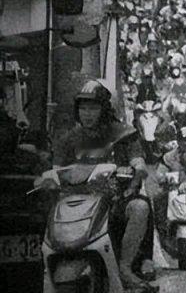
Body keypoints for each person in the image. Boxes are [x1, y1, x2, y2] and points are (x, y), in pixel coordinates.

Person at [47, 80, 153, 291]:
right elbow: (55, 170)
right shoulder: (68, 138)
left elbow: (139, 164)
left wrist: (135, 174)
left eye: (93, 108)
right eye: (83, 108)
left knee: (140, 207)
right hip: (76, 203)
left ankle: (125, 267)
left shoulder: (124, 134)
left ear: (105, 109)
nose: (87, 114)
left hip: (114, 201)